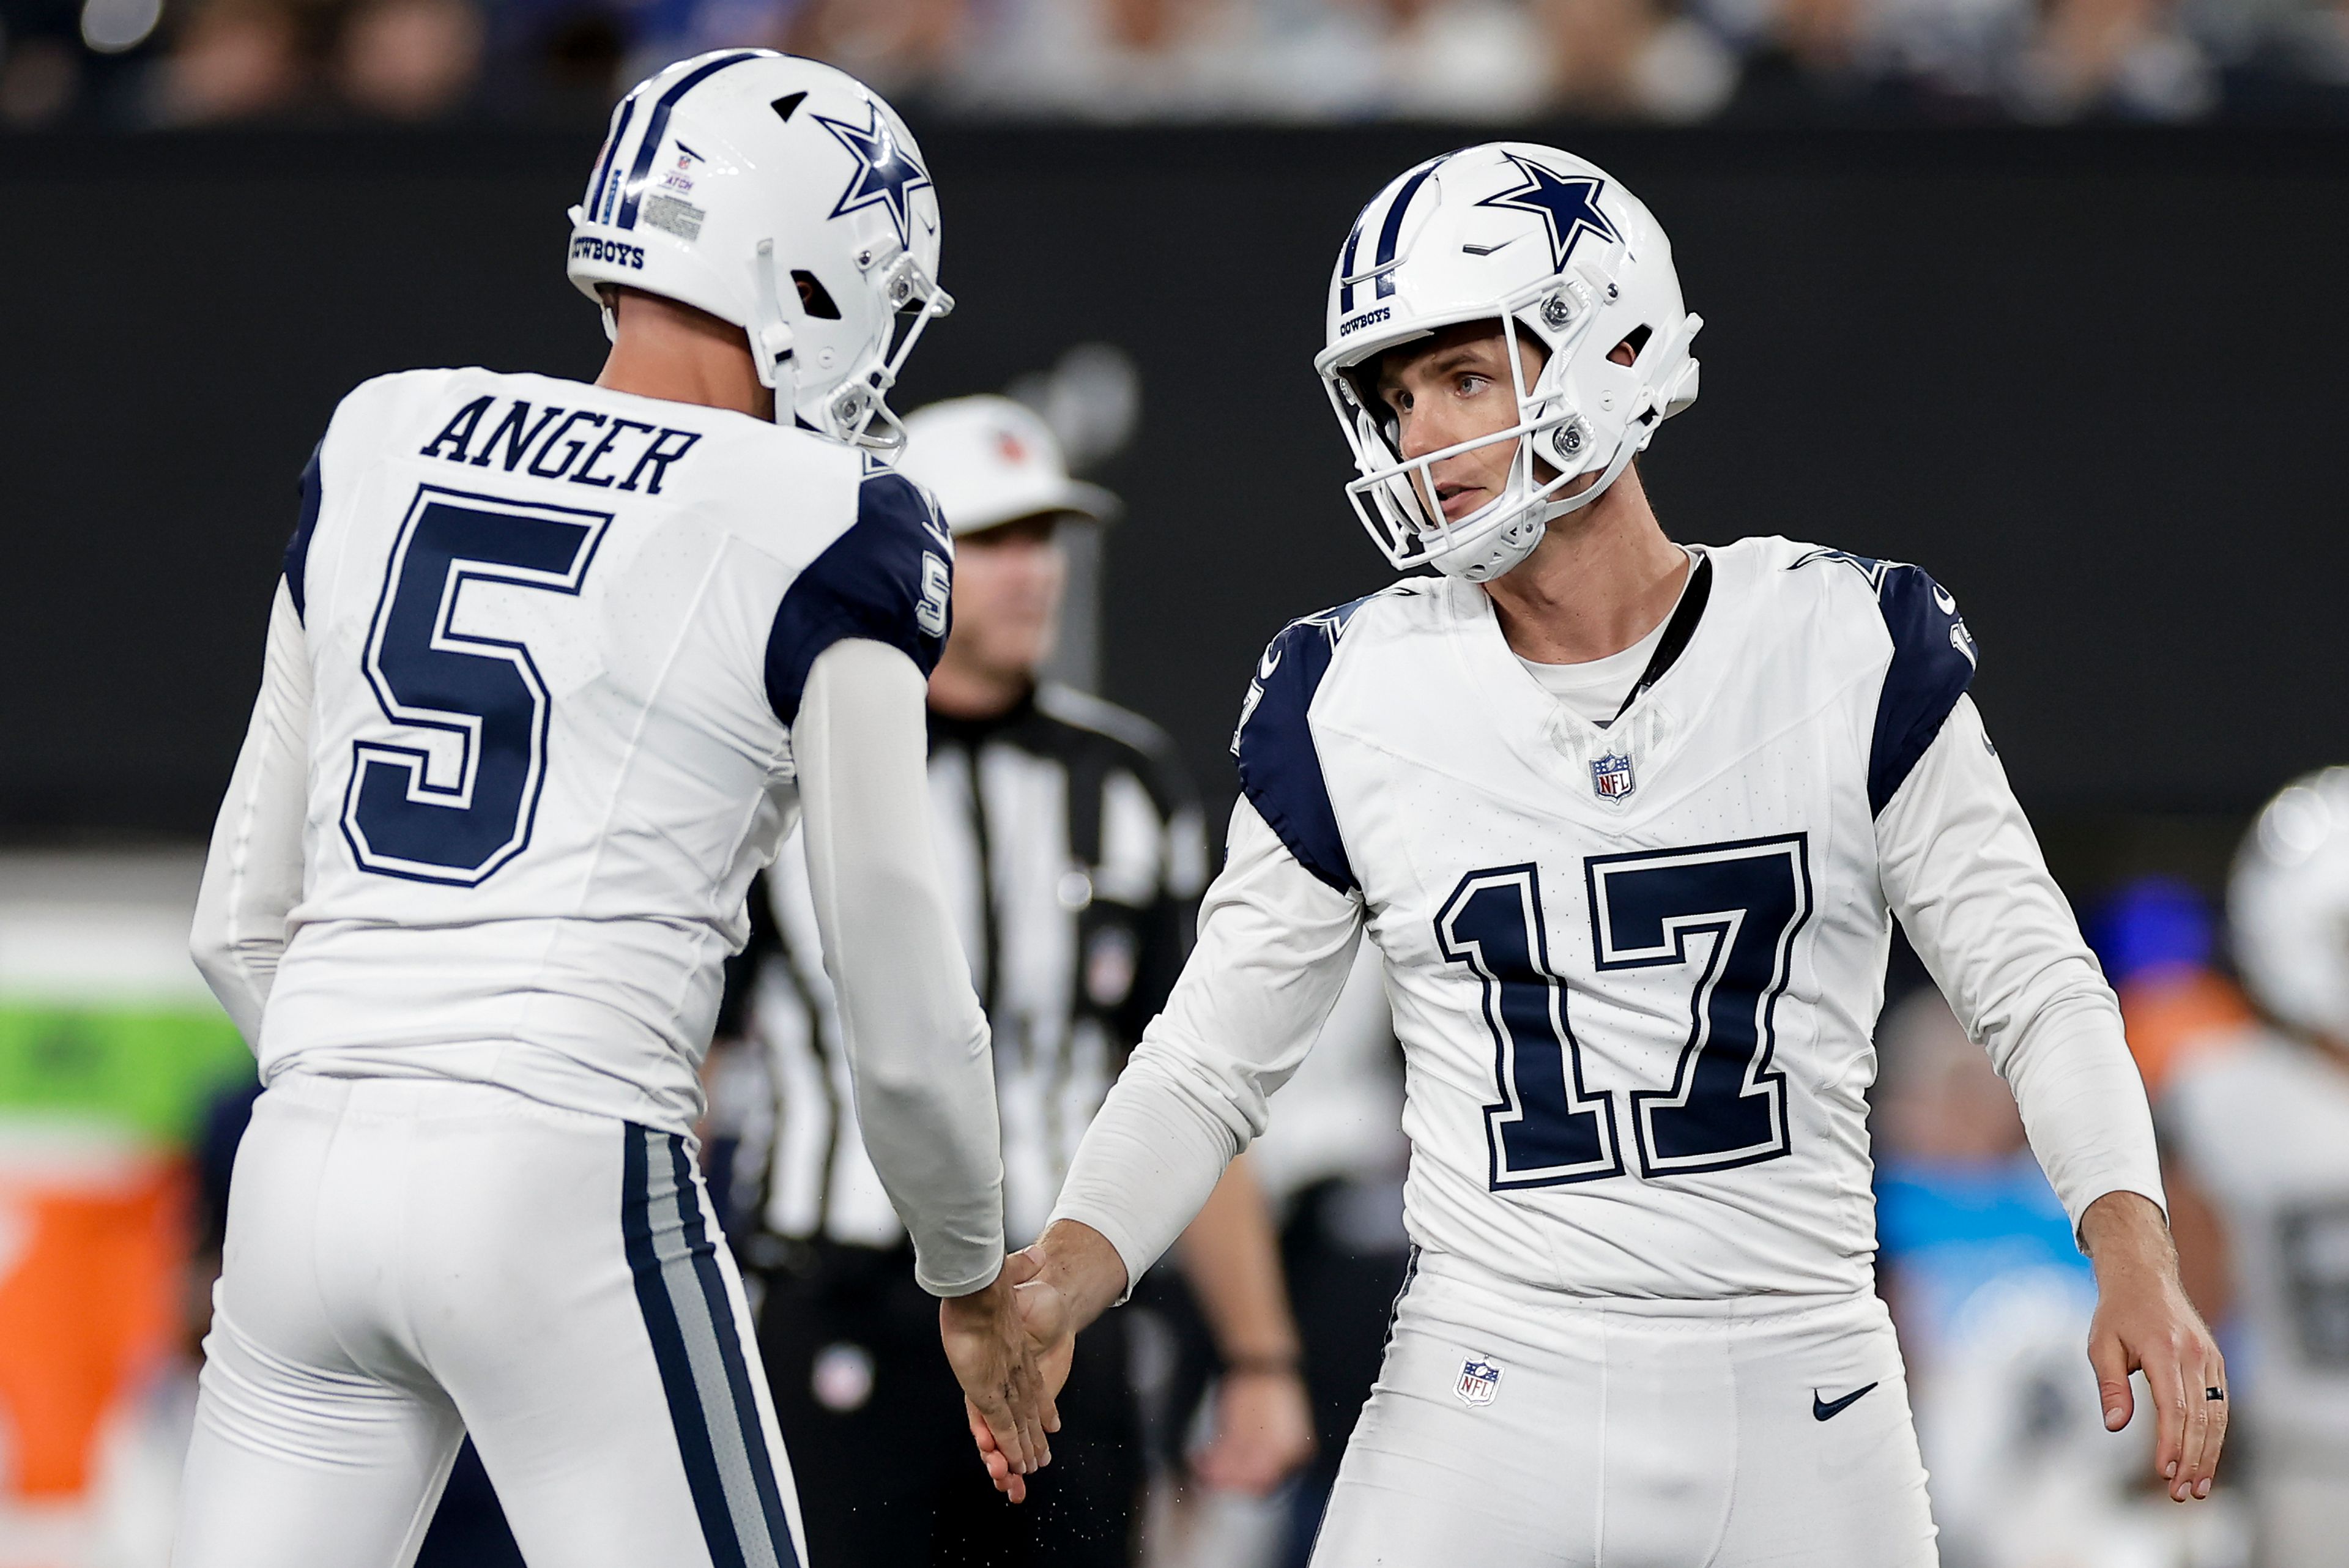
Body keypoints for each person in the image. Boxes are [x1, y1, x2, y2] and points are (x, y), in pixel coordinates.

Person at [979, 141, 2228, 1564]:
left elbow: (2033, 982)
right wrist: (1067, 1273)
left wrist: (2130, 1244)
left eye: (1464, 377)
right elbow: (1212, 1058)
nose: (1420, 442)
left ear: (1614, 345)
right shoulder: (1358, 686)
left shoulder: (1837, 641)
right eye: (1396, 400)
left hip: (1804, 1389)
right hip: (1489, 1378)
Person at [173, 50, 1052, 1568]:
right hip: (560, 1165)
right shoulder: (831, 520)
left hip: (301, 1155)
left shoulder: (382, 434)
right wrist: (973, 1274)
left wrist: (385, 1105)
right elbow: (903, 1014)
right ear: (810, 274)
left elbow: (239, 918)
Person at [722, 392, 1316, 1566]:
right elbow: (687, 1062)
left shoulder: (1125, 781)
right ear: (920, 554)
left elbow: (1197, 1091)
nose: (1032, 573)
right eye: (992, 540)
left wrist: (1260, 1357)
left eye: (1044, 538)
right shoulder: (783, 772)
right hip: (839, 1303)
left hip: (1059, 1315)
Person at [2164, 767, 2349, 1567]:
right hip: (2308, 1473)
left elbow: (2189, 1309)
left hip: (2309, 1473)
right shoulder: (2230, 1096)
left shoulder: (2225, 1095)